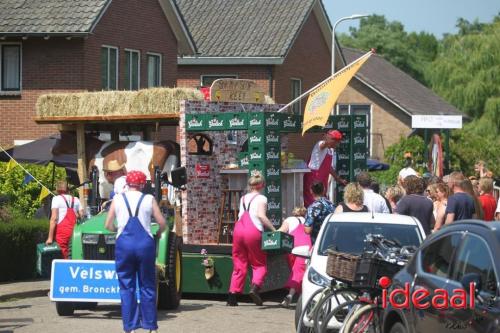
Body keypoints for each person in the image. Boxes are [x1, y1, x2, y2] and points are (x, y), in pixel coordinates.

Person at [104, 171, 166, 333]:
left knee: (126, 287)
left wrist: (116, 230)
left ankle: (130, 327)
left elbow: (107, 224)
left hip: (124, 246)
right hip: (145, 245)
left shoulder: (117, 199)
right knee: (147, 285)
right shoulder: (148, 199)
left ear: (127, 184)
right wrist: (159, 232)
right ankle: (150, 326)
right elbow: (162, 222)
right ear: (143, 184)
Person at [227, 173, 276, 307]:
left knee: (239, 263)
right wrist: (274, 230)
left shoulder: (243, 198)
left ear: (250, 185)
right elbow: (261, 216)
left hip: (238, 230)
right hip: (253, 231)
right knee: (259, 263)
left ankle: (232, 295)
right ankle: (255, 288)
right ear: (262, 185)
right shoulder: (262, 198)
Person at [303, 130, 347, 207]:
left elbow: (328, 167)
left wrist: (337, 178)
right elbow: (324, 144)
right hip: (313, 177)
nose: (337, 144)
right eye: (336, 142)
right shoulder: (320, 144)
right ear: (331, 139)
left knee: (322, 201)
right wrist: (328, 138)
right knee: (312, 202)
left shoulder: (331, 150)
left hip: (323, 178)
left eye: (338, 142)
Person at [278, 207, 311, 308]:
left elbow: (280, 232)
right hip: (306, 248)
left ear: (294, 212)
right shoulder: (307, 221)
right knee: (302, 272)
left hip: (293, 248)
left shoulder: (289, 220)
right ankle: (302, 297)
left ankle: (290, 295)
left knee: (295, 272)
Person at [46, 180, 83, 259]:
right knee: (74, 252)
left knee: (63, 255)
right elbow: (82, 215)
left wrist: (50, 237)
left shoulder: (56, 199)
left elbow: (54, 218)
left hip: (62, 232)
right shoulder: (76, 199)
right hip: (75, 231)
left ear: (57, 190)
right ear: (67, 189)